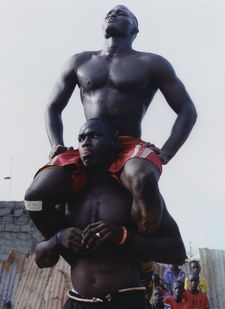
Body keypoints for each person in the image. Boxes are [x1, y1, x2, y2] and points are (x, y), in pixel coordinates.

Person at [24, 5, 197, 237]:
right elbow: (53, 107)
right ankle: (56, 240)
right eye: (109, 13)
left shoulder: (152, 63)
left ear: (135, 29)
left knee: (144, 178)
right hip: (90, 145)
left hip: (128, 147)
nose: (113, 13)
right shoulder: (79, 62)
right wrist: (56, 144)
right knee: (35, 195)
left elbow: (187, 109)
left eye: (122, 13)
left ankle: (144, 258)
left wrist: (167, 152)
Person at [34, 118, 186, 308]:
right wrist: (58, 239)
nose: (86, 142)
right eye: (81, 138)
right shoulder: (68, 196)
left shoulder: (134, 195)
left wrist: (123, 235)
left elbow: (178, 253)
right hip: (77, 302)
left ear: (115, 142)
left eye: (95, 135)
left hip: (126, 302)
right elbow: (41, 260)